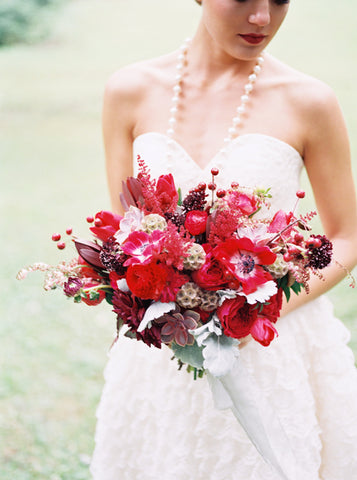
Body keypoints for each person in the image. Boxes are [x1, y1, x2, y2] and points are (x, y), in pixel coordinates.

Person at [90, 1, 357, 478]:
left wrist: (249, 315)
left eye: (279, 0)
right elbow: (123, 231)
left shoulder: (309, 101)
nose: (262, 18)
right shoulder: (129, 90)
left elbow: (345, 236)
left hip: (272, 345)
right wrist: (154, 309)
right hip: (163, 346)